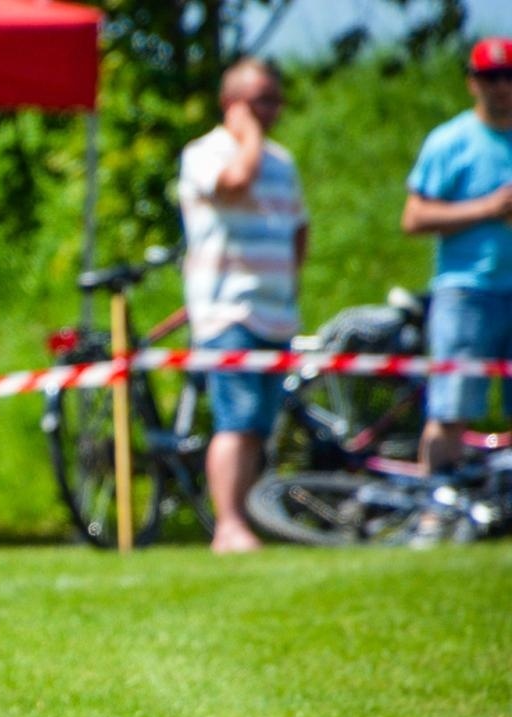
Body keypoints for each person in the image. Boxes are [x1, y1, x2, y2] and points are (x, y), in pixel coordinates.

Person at [178, 57, 308, 554]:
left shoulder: (283, 162)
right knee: (236, 419)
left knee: (258, 425)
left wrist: (288, 282)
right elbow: (235, 183)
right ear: (231, 104)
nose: (272, 111)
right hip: (227, 310)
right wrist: (249, 137)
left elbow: (299, 226)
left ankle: (244, 521)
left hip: (276, 310)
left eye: (276, 100)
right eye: (260, 102)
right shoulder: (205, 153)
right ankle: (228, 525)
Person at [401, 38, 512, 483]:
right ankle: (434, 507)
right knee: (450, 408)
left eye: (509, 77)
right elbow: (414, 217)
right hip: (466, 290)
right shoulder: (450, 141)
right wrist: (487, 208)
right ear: (472, 82)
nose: (501, 87)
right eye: (490, 77)